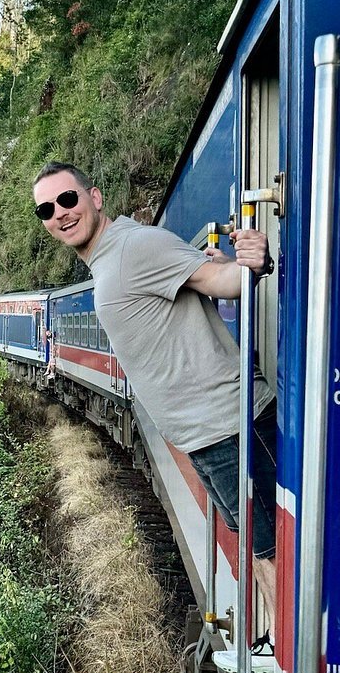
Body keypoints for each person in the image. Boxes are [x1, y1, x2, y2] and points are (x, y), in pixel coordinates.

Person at [32, 161, 277, 609]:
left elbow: (221, 281)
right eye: (46, 209)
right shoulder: (110, 260)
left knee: (274, 556)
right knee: (258, 551)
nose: (60, 213)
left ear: (95, 197)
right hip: (206, 437)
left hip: (230, 426)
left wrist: (251, 265)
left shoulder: (134, 246)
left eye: (67, 199)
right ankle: (283, 658)